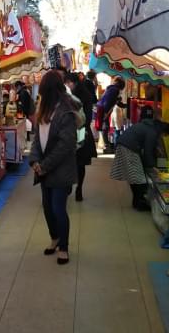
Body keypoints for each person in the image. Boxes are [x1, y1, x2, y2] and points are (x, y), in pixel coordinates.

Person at [28, 71, 78, 265]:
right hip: (44, 169)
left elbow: (66, 145)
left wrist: (45, 165)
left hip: (60, 168)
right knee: (47, 207)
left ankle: (64, 247)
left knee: (58, 208)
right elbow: (37, 141)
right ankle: (54, 237)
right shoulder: (44, 109)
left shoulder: (66, 110)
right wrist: (34, 161)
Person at [110, 118, 169, 210]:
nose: (162, 137)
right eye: (164, 135)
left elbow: (150, 150)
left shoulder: (151, 126)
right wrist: (153, 166)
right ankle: (139, 203)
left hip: (124, 145)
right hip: (129, 148)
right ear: (163, 131)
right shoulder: (153, 132)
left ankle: (137, 201)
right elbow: (148, 151)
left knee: (134, 177)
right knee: (139, 177)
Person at [64, 72, 98, 201]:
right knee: (80, 162)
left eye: (67, 83)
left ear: (73, 83)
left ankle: (69, 188)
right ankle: (79, 189)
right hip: (83, 131)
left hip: (73, 131)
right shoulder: (86, 94)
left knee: (70, 160)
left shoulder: (71, 96)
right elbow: (88, 117)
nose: (66, 86)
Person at [96, 77, 126, 154]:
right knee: (105, 127)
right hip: (104, 109)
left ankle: (107, 146)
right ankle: (107, 146)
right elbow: (108, 101)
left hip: (102, 108)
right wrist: (106, 113)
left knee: (105, 127)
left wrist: (125, 105)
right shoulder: (114, 90)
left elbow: (117, 102)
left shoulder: (112, 89)